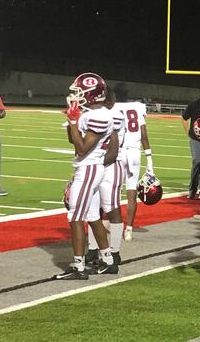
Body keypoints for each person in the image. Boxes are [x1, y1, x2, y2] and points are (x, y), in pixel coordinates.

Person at [54, 72, 118, 280]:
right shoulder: (92, 113)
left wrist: (74, 121)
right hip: (90, 168)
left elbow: (82, 148)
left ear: (91, 94)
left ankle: (78, 266)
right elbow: (73, 141)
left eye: (80, 92)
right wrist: (71, 120)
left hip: (89, 168)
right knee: (92, 216)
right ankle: (108, 261)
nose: (76, 95)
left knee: (75, 217)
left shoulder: (100, 116)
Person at [86, 88, 125, 266]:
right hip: (97, 164)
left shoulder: (112, 115)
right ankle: (93, 248)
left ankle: (115, 252)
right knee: (92, 210)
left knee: (112, 209)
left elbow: (112, 150)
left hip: (110, 166)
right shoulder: (98, 115)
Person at [114, 97, 153, 241]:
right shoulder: (138, 108)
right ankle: (129, 229)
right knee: (131, 192)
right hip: (134, 153)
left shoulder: (114, 107)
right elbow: (144, 136)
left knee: (114, 191)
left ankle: (115, 225)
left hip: (118, 152)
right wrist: (149, 160)